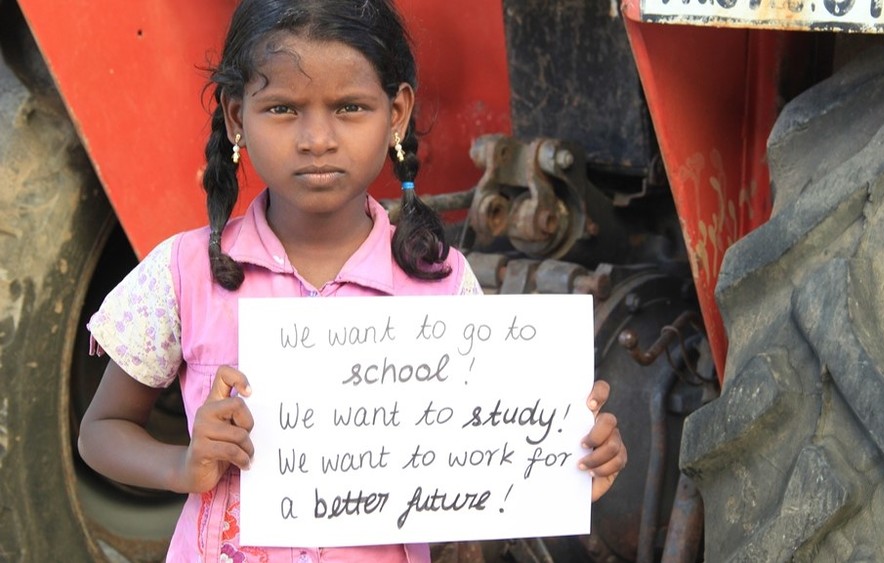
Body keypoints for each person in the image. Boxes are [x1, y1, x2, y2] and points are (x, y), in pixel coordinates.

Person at [77, 0, 627, 561]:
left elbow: (477, 465)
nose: (318, 138)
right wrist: (181, 465)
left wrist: (566, 461)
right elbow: (101, 431)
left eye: (349, 107)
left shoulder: (442, 285)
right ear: (237, 117)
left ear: (397, 113)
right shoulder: (184, 273)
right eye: (284, 109)